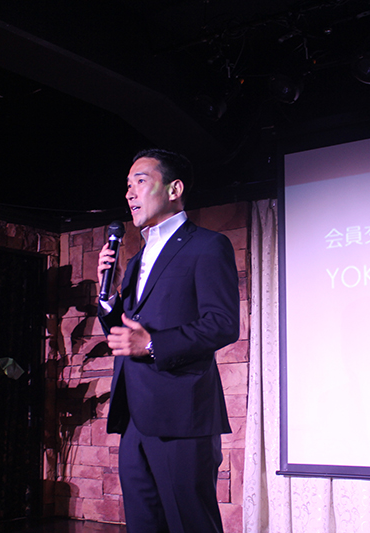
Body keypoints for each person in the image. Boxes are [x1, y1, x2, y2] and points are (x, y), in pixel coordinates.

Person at [96, 149, 240, 533]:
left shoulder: (207, 245)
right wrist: (107, 297)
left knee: (190, 524)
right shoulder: (136, 260)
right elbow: (124, 332)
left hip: (182, 416)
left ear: (174, 189)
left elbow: (223, 324)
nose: (130, 193)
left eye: (140, 181)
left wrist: (153, 345)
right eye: (127, 185)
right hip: (135, 416)